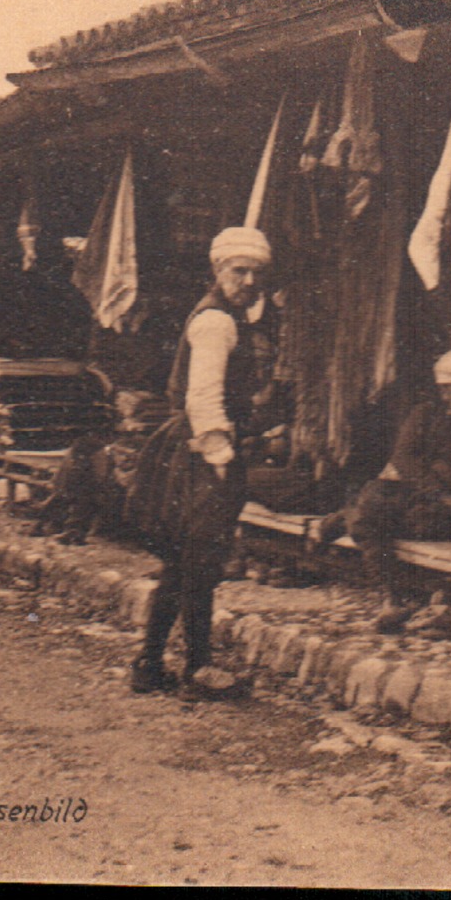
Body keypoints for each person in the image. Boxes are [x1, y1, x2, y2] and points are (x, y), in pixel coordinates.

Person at [121, 227, 273, 700]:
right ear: (217, 270)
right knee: (200, 562)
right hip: (201, 451)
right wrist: (221, 458)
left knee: (180, 562)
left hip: (195, 448)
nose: (247, 280)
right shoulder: (216, 322)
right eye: (238, 270)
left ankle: (149, 664)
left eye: (255, 273)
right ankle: (199, 669)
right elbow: (203, 395)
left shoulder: (228, 316)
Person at [324, 349, 451, 633]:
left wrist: (449, 484)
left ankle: (349, 518)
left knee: (368, 519)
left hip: (444, 509)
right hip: (413, 494)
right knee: (373, 511)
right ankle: (392, 595)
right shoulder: (424, 415)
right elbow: (404, 458)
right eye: (449, 392)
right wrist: (436, 486)